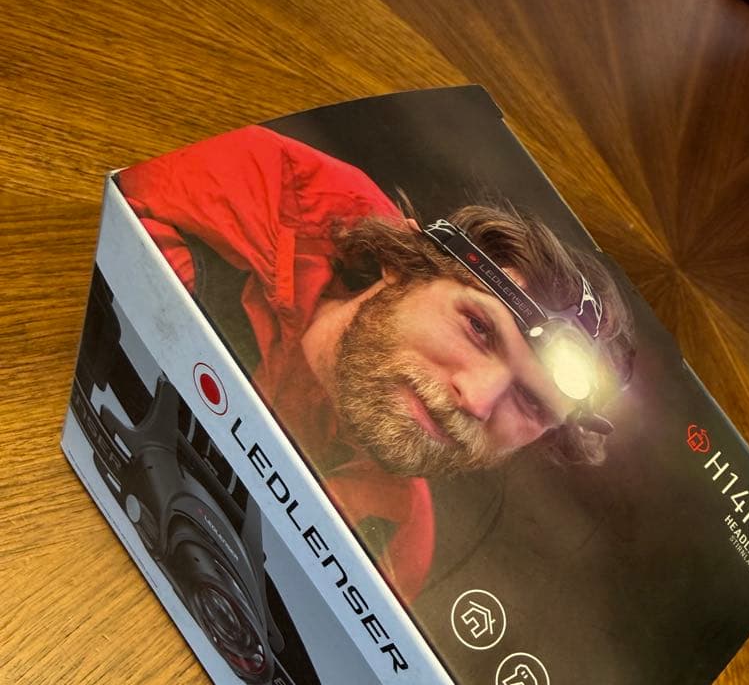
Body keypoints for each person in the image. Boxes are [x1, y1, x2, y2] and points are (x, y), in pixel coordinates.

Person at [118, 125, 634, 600]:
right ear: (402, 263)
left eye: (531, 401)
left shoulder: (396, 537)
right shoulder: (188, 232)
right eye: (478, 328)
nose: (477, 400)